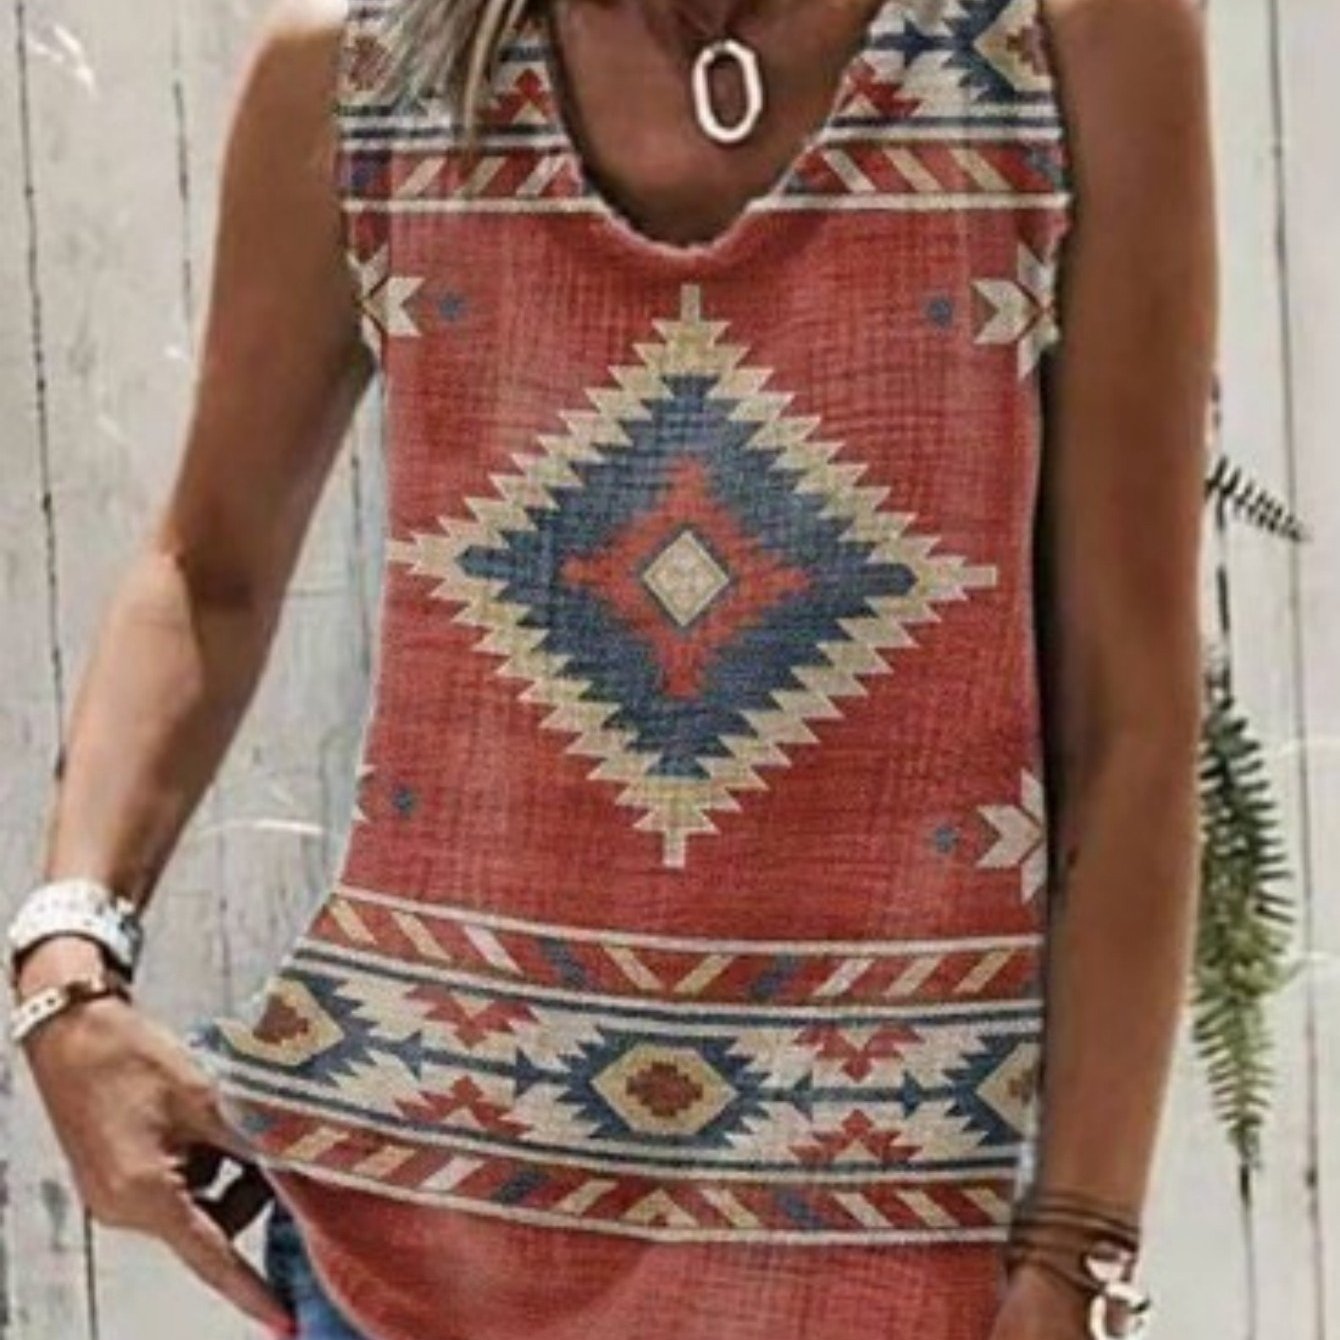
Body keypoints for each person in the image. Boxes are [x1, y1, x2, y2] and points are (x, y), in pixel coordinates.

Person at [7, 0, 1216, 1337]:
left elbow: (1129, 710)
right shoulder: (362, 73)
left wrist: (1080, 1247)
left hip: (886, 1270)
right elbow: (207, 570)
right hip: (405, 1258)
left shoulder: (1060, 42)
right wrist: (65, 974)